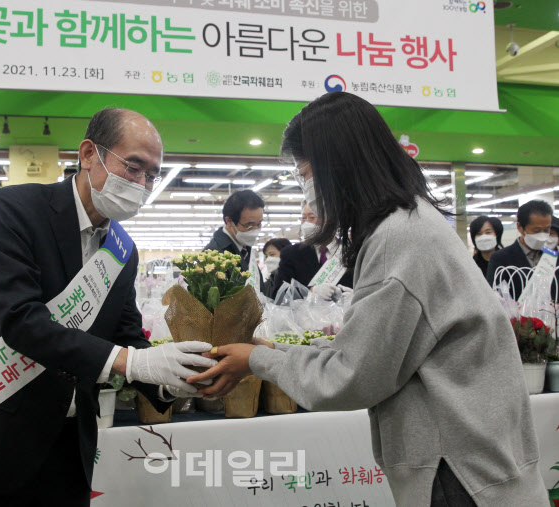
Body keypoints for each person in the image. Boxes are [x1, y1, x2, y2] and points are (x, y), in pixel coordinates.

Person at [189, 92, 547, 506]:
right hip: (474, 459)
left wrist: (257, 360)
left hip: (458, 473)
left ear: (339, 168)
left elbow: (352, 377)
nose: (307, 191)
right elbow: (380, 350)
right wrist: (276, 350)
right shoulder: (412, 222)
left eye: (305, 174)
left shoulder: (400, 241)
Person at [0, 108, 216, 506]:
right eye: (133, 166)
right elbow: (22, 321)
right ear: (88, 154)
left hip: (69, 447)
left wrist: (171, 381)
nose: (142, 183)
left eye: (152, 175)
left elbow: (126, 335)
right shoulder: (14, 209)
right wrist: (131, 363)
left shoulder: (123, 250)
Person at [271, 201, 353, 299]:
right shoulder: (291, 254)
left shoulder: (352, 252)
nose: (306, 223)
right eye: (303, 218)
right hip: (305, 313)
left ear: (331, 220)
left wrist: (356, 296)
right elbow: (278, 293)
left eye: (312, 217)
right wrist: (311, 291)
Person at [486, 199, 553, 299]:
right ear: (520, 227)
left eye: (546, 230)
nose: (542, 235)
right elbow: (495, 296)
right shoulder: (501, 259)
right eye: (536, 230)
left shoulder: (552, 257)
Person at [202, 189, 264, 272]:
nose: (255, 230)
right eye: (249, 225)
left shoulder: (245, 247)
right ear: (229, 221)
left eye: (259, 224)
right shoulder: (213, 256)